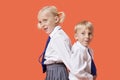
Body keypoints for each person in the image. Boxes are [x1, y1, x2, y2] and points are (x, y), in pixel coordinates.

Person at [37, 6, 71, 80]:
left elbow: (68, 59)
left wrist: (78, 75)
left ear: (56, 19)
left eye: (45, 20)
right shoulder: (54, 36)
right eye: (40, 22)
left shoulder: (58, 37)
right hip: (52, 72)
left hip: (57, 72)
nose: (42, 24)